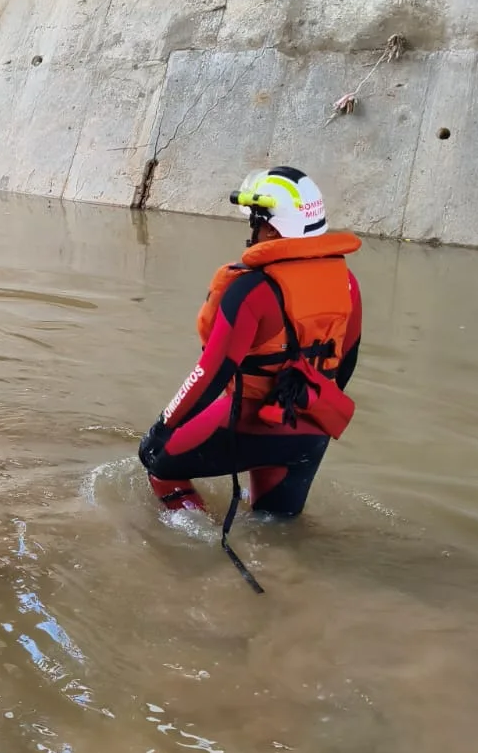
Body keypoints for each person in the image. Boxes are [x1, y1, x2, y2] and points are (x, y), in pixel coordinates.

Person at [139, 166, 361, 520]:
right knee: (276, 532)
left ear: (273, 227)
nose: (252, 232)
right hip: (311, 432)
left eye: (255, 223)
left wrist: (160, 429)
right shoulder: (346, 282)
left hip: (249, 419)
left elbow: (209, 376)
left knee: (160, 466)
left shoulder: (251, 290)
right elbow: (344, 364)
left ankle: (198, 541)